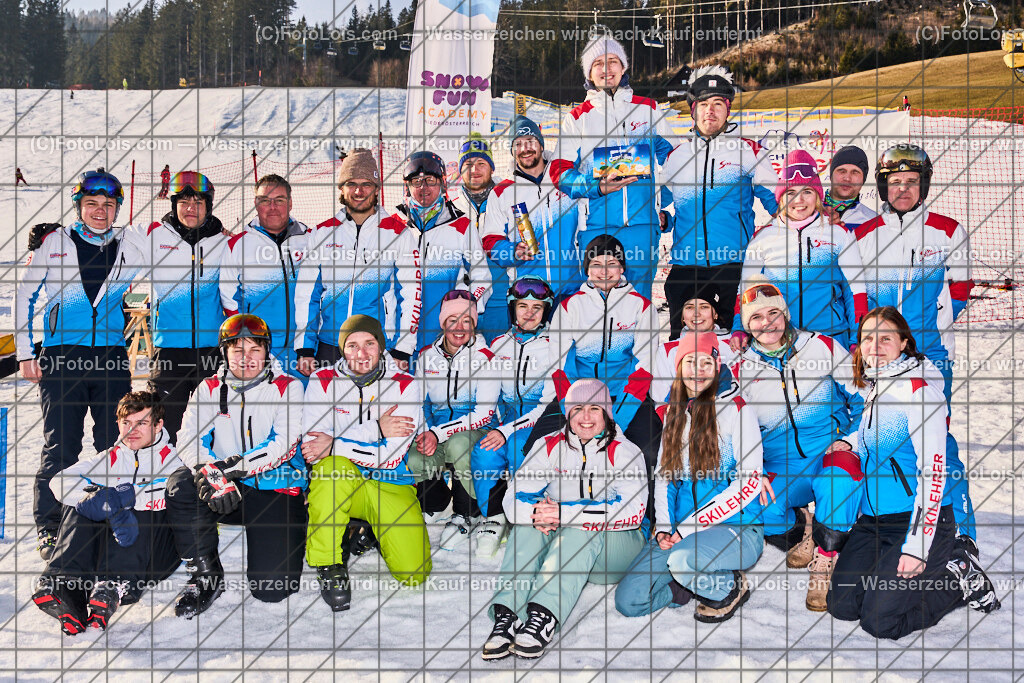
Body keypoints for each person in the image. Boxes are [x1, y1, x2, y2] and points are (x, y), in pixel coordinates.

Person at [828, 307, 999, 639]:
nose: (874, 346)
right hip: (875, 521)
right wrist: (847, 443)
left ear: (904, 342)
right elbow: (874, 436)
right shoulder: (880, 382)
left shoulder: (919, 392)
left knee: (879, 623)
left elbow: (934, 473)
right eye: (867, 338)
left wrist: (917, 547)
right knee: (843, 606)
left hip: (921, 522)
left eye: (885, 338)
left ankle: (957, 577)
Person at [854, 144, 977, 549]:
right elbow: (858, 297)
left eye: (911, 182)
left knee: (938, 444)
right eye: (895, 182)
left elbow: (959, 289)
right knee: (877, 437)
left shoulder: (947, 229)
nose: (902, 190)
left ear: (922, 185)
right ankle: (888, 519)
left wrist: (923, 337)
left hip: (930, 356)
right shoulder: (865, 234)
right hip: (879, 359)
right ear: (883, 187)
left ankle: (960, 536)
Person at [16, 169, 143, 558]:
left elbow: (176, 253)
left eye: (108, 204)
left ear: (117, 207)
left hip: (109, 358)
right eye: (92, 204)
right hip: (62, 356)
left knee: (113, 442)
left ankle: (111, 516)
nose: (100, 211)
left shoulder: (131, 244)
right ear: (79, 207)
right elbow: (26, 294)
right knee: (62, 445)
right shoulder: (56, 240)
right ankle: (51, 526)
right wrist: (24, 351)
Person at [481, 379, 647, 660]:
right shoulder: (548, 445)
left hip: (617, 549)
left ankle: (544, 615)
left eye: (595, 408)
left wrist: (564, 513)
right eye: (578, 408)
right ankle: (508, 613)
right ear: (567, 413)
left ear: (607, 413)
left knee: (579, 526)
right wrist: (539, 514)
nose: (585, 417)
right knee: (530, 521)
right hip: (567, 549)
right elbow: (514, 498)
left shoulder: (625, 451)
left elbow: (633, 513)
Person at [733, 280, 865, 611]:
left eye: (774, 313)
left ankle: (825, 557)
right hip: (780, 462)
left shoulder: (822, 346)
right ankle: (805, 525)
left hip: (828, 451)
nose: (768, 323)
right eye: (757, 317)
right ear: (748, 324)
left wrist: (849, 439)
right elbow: (733, 428)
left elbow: (866, 397)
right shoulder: (740, 366)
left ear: (786, 314)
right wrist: (752, 467)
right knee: (757, 509)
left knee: (838, 483)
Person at [165, 314, 307, 618]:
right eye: (237, 350)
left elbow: (283, 442)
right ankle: (206, 575)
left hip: (273, 485)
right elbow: (187, 436)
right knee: (181, 484)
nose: (246, 358)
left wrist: (234, 468)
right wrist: (209, 470)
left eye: (255, 349)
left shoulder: (288, 387)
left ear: (267, 351)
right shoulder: (209, 387)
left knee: (272, 589)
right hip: (222, 488)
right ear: (224, 353)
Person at [615, 332, 764, 623]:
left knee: (682, 562)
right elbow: (664, 478)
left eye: (706, 362)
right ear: (679, 367)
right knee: (629, 601)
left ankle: (728, 587)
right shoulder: (675, 412)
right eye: (690, 362)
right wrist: (665, 528)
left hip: (735, 526)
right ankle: (683, 587)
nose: (698, 371)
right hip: (679, 531)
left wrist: (687, 529)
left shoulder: (737, 410)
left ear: (718, 364)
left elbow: (748, 484)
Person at [302, 314, 431, 612]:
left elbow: (392, 456)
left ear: (381, 346)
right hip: (342, 481)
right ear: (342, 350)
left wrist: (336, 442)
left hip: (390, 482)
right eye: (352, 345)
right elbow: (312, 448)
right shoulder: (322, 382)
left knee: (415, 573)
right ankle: (329, 564)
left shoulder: (405, 384)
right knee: (332, 470)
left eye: (370, 343)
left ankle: (373, 530)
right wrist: (377, 430)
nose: (361, 354)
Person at [31, 391, 182, 635]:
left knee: (127, 504)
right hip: (109, 552)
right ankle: (66, 588)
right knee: (83, 503)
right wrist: (97, 498)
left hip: (154, 555)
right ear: (118, 424)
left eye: (142, 423)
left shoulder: (174, 459)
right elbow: (59, 481)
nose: (132, 430)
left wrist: (123, 496)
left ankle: (116, 585)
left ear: (158, 424)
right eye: (126, 423)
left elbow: (171, 489)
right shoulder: (111, 457)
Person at [551, 35, 676, 299]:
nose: (606, 69)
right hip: (597, 226)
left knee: (638, 305)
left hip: (643, 227)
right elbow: (559, 173)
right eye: (598, 63)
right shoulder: (577, 118)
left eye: (612, 61)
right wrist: (596, 187)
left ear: (623, 68)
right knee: (598, 306)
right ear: (589, 72)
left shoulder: (648, 110)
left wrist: (659, 201)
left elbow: (679, 162)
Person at [661, 65, 778, 336]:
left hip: (733, 267)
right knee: (683, 348)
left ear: (728, 109)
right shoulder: (677, 156)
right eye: (703, 104)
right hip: (685, 269)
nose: (710, 110)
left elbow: (778, 201)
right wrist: (663, 219)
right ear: (693, 110)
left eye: (717, 104)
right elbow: (657, 205)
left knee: (733, 343)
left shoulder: (748, 151)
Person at [532, 236, 661, 472]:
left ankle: (645, 509)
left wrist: (616, 421)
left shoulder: (641, 306)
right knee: (536, 447)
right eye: (596, 265)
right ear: (587, 270)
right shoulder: (570, 306)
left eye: (611, 263)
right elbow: (558, 367)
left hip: (624, 395)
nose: (604, 272)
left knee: (649, 450)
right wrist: (575, 411)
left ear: (622, 268)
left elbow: (646, 367)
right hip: (577, 393)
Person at [294, 149, 421, 374]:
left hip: (378, 346)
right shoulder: (323, 232)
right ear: (341, 189)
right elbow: (307, 293)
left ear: (376, 189)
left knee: (376, 408)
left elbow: (411, 293)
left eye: (366, 184)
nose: (359, 191)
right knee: (330, 409)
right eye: (351, 183)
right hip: (330, 345)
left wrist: (403, 349)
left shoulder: (397, 234)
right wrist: (305, 348)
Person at [125, 171, 229, 441]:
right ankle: (164, 481)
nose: (190, 208)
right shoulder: (152, 236)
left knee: (218, 424)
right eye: (183, 202)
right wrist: (52, 236)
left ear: (208, 205)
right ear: (173, 205)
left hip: (212, 350)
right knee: (164, 424)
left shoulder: (225, 242)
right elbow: (103, 233)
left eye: (198, 202)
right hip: (169, 350)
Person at [735, 149, 868, 349]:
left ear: (817, 196)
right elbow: (746, 290)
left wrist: (856, 339)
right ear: (781, 198)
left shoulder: (839, 234)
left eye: (807, 191)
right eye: (791, 193)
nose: (799, 200)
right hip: (781, 340)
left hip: (832, 337)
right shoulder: (762, 238)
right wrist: (740, 328)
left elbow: (855, 291)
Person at [470, 276, 558, 557]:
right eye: (523, 306)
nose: (529, 313)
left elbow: (547, 404)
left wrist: (505, 431)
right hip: (505, 415)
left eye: (537, 307)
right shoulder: (497, 344)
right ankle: (494, 515)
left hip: (538, 417)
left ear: (546, 311)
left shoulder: (554, 345)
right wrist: (495, 422)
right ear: (512, 308)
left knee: (521, 449)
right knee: (484, 452)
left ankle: (530, 510)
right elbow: (488, 392)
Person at [408, 290, 499, 550]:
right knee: (413, 456)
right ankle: (437, 503)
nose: (459, 328)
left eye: (466, 322)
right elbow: (418, 402)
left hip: (476, 431)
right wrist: (425, 433)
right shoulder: (426, 356)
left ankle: (465, 511)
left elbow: (485, 413)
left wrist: (438, 434)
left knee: (459, 444)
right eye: (452, 321)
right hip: (436, 431)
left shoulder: (486, 358)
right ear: (443, 323)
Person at [481, 115, 584, 303]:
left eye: (530, 142)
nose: (525, 149)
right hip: (528, 295)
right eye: (518, 144)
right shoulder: (502, 192)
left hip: (573, 292)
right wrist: (512, 252)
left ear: (541, 145)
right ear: (512, 151)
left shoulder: (565, 180)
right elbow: (490, 241)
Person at [397, 150, 491, 353]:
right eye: (416, 182)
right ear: (407, 187)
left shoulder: (461, 226)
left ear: (443, 184)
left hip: (444, 336)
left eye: (430, 180)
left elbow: (482, 277)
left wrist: (465, 312)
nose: (424, 187)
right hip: (399, 336)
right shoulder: (394, 227)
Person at [220, 174, 309, 376]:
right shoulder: (238, 246)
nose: (272, 207)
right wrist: (249, 344)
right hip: (260, 352)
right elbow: (229, 300)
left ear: (290, 203)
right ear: (256, 203)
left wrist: (310, 343)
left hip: (303, 352)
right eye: (265, 201)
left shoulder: (310, 239)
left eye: (279, 200)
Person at [451, 132, 506, 343]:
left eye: (482, 163)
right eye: (468, 163)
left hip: (499, 300)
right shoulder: (450, 205)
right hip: (460, 302)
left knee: (500, 361)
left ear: (492, 167)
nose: (474, 170)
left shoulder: (509, 196)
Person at [650, 280, 739, 404]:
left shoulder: (734, 345)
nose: (696, 314)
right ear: (682, 315)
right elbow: (660, 399)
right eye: (690, 307)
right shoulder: (666, 350)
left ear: (715, 314)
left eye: (704, 307)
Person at [824, 145, 876, 231]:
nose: (847, 178)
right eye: (842, 171)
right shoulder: (808, 214)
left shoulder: (874, 222)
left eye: (855, 172)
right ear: (831, 175)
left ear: (863, 179)